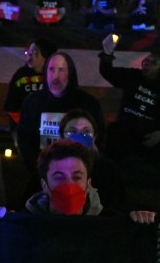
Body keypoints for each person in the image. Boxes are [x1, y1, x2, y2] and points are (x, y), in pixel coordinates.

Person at [0, 140, 155, 223]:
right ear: (44, 186)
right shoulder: (23, 223)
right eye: (59, 177)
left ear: (88, 185)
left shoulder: (111, 224)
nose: (69, 184)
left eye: (77, 177)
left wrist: (140, 221)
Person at [16, 51, 105, 193]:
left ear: (71, 74)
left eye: (61, 70)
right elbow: (24, 138)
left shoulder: (88, 103)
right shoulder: (33, 102)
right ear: (45, 73)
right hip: (41, 174)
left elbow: (99, 139)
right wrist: (39, 169)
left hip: (80, 175)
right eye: (51, 70)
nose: (55, 76)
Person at [99, 36, 160, 171]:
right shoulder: (134, 77)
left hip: (151, 136)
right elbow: (108, 72)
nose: (147, 63)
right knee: (112, 133)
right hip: (126, 132)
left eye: (154, 63)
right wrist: (107, 52)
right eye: (147, 60)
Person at [3, 38, 57, 128]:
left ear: (46, 55)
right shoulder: (21, 75)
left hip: (50, 126)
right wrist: (24, 124)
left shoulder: (56, 75)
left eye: (34, 53)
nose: (29, 56)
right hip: (22, 126)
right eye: (28, 53)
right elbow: (12, 105)